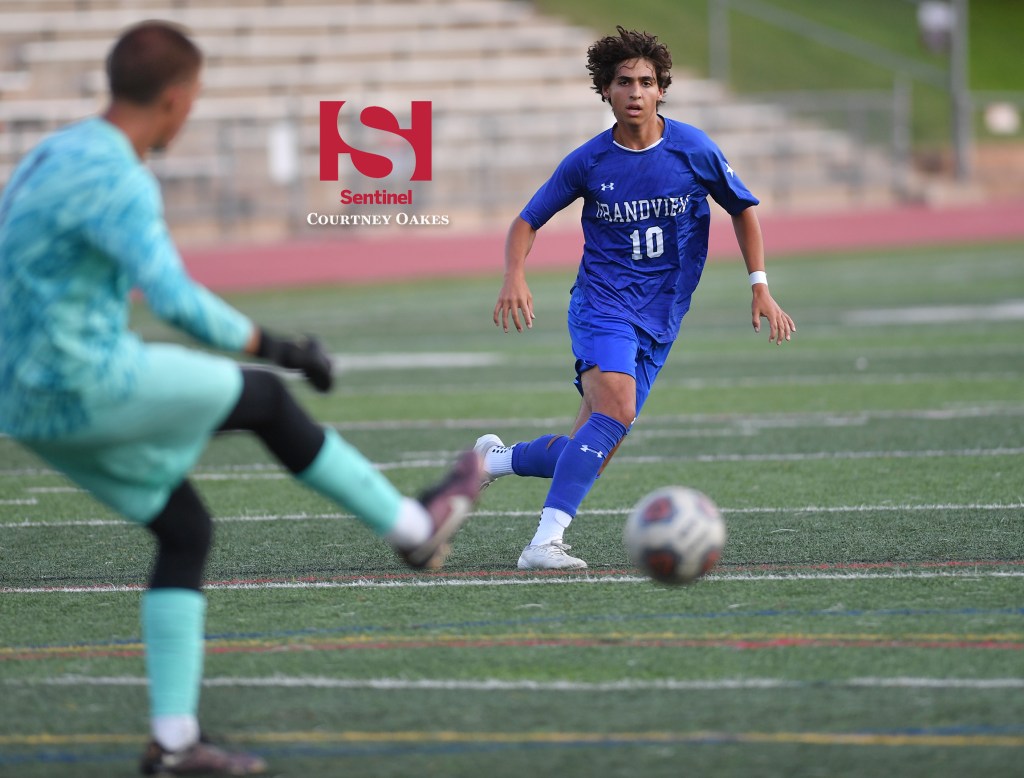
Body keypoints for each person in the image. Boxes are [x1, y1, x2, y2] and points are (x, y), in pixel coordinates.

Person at [0, 21, 481, 776]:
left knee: (185, 529)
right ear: (175, 98)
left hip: (22, 404)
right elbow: (176, 301)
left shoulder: (52, 153)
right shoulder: (121, 177)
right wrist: (285, 349)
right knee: (264, 396)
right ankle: (414, 528)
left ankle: (173, 743)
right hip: (82, 380)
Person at [476, 26, 795, 571]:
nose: (636, 92)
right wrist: (514, 274)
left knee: (592, 448)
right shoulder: (589, 162)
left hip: (661, 316)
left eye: (646, 82)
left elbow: (741, 208)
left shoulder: (694, 149)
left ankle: (494, 460)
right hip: (603, 306)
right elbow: (527, 220)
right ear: (605, 90)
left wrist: (759, 286)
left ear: (662, 90)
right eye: (624, 82)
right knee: (617, 409)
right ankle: (542, 545)